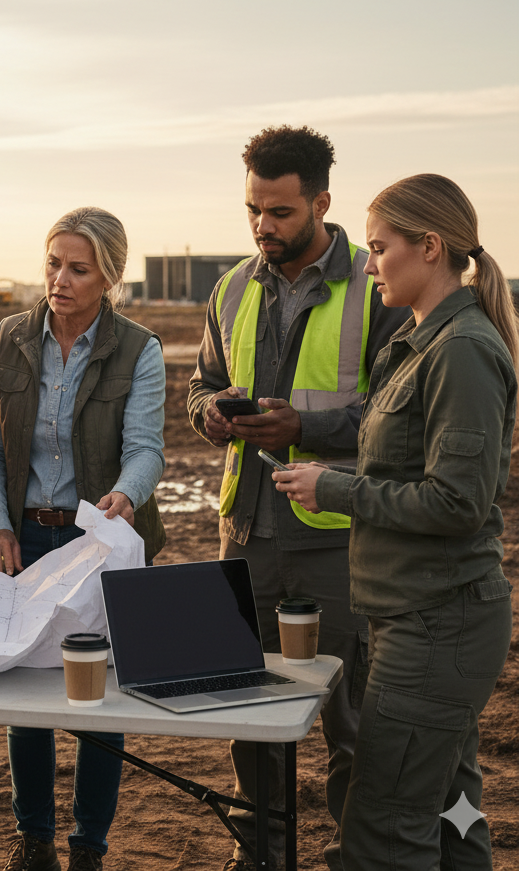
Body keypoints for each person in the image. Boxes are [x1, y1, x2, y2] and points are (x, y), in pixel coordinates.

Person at [273, 174, 516, 869]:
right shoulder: (417, 342)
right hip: (418, 617)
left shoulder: (460, 349)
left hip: (436, 626)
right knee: (452, 810)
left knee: (382, 831)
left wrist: (335, 489)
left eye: (379, 249)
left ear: (430, 247)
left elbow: (457, 503)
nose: (369, 265)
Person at [187, 125, 408, 870]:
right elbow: (201, 385)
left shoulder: (376, 288)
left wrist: (304, 428)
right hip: (244, 535)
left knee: (353, 721)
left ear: (321, 203)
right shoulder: (230, 288)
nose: (262, 226)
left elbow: (397, 414)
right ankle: (261, 854)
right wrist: (212, 414)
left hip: (339, 540)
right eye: (253, 209)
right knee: (243, 708)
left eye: (279, 212)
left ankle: (358, 857)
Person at [0, 206, 166, 871]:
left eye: (78, 269)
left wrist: (126, 495)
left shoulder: (139, 349)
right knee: (25, 694)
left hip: (98, 544)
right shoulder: (10, 337)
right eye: (53, 263)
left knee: (95, 697)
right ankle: (34, 842)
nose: (59, 279)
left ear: (109, 277)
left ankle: (88, 848)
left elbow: (146, 448)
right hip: (25, 539)